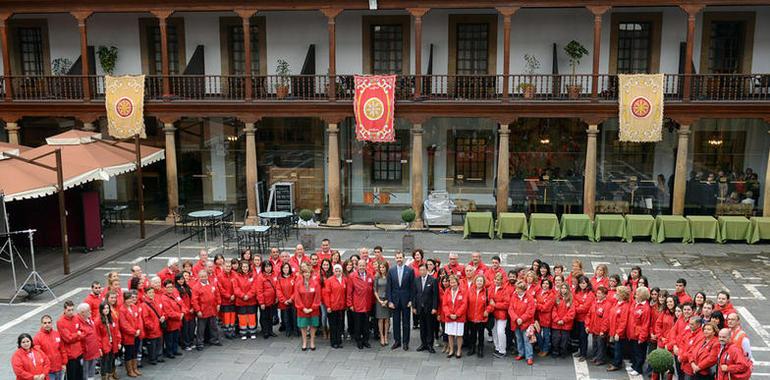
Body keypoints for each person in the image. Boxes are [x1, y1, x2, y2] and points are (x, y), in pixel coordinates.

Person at [387, 251, 414, 351]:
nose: (399, 259)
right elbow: (389, 287)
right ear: (395, 258)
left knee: (406, 323)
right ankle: (397, 341)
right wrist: (389, 301)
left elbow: (412, 287)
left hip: (406, 301)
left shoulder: (409, 271)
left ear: (403, 258)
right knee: (396, 322)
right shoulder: (391, 271)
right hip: (395, 301)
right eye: (397, 257)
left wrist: (411, 300)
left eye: (400, 257)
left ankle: (406, 342)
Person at [192, 269, 222, 350]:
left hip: (212, 309)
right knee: (201, 329)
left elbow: (217, 294)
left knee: (213, 326)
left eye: (205, 276)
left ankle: (214, 340)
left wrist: (218, 303)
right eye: (202, 276)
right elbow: (194, 301)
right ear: (199, 277)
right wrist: (198, 310)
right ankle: (200, 343)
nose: (203, 278)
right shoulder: (196, 287)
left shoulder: (212, 284)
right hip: (203, 310)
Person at [347, 260, 374, 349]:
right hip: (357, 304)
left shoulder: (370, 275)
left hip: (367, 304)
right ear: (357, 266)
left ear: (366, 266)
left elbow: (372, 290)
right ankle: (358, 340)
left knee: (366, 324)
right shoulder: (352, 276)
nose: (362, 267)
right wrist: (350, 304)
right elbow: (349, 291)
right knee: (358, 324)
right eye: (360, 266)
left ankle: (365, 340)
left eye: (363, 265)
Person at [413, 263, 439, 353]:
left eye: (424, 270)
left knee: (430, 327)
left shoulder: (433, 280)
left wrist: (434, 308)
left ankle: (430, 345)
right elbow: (414, 295)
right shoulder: (416, 280)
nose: (422, 271)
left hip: (429, 308)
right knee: (422, 327)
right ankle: (423, 344)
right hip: (420, 308)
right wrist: (414, 307)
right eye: (420, 270)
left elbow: (435, 295)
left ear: (427, 270)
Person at [294, 267, 321, 351]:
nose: (307, 274)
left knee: (313, 325)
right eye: (305, 272)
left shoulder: (316, 283)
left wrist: (312, 308)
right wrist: (302, 308)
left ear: (311, 273)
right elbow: (297, 297)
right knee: (303, 326)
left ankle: (312, 341)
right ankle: (304, 342)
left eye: (308, 272)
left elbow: (317, 296)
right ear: (302, 274)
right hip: (302, 310)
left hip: (313, 309)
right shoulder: (298, 283)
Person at [509, 280, 536, 365]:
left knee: (527, 340)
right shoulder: (514, 296)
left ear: (523, 289)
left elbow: (530, 311)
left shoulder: (529, 298)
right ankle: (521, 353)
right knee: (519, 339)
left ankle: (529, 356)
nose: (516, 290)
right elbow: (510, 309)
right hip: (516, 322)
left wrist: (522, 319)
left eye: (518, 289)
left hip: (526, 323)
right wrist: (516, 318)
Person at [627, 286, 651, 377]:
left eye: (637, 294)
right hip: (632, 333)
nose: (635, 295)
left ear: (642, 295)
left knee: (639, 353)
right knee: (633, 351)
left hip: (638, 334)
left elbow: (645, 324)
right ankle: (634, 366)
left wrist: (642, 337)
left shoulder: (645, 308)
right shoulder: (635, 303)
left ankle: (638, 368)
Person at [33, 315, 66, 380]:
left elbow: (62, 349)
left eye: (49, 322)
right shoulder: (37, 338)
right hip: (48, 371)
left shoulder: (57, 334)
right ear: (41, 324)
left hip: (59, 368)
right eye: (45, 323)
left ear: (51, 323)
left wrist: (64, 363)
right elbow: (37, 356)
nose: (47, 324)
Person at [57, 300, 84, 380]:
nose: (71, 312)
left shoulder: (77, 318)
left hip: (79, 353)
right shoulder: (60, 322)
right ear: (64, 310)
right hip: (70, 356)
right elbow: (68, 338)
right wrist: (77, 334)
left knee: (80, 376)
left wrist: (76, 335)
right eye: (69, 310)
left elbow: (83, 332)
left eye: (72, 309)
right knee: (72, 377)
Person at [442, 275, 467, 358]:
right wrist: (449, 314)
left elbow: (464, 304)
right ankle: (451, 350)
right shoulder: (447, 291)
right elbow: (444, 305)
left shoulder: (463, 291)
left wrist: (457, 314)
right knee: (450, 334)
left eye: (454, 282)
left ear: (457, 282)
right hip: (449, 317)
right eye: (451, 282)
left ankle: (459, 350)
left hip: (459, 317)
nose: (452, 284)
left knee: (459, 334)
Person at [323, 264, 347, 349]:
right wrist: (328, 306)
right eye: (336, 271)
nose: (338, 272)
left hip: (341, 307)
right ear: (333, 271)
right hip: (332, 306)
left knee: (340, 324)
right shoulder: (329, 280)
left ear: (341, 271)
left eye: (339, 271)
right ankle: (333, 342)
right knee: (333, 325)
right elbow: (326, 294)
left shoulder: (344, 280)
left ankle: (339, 341)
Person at [607, 286, 631, 372]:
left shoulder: (625, 306)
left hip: (619, 332)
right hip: (614, 330)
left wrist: (618, 333)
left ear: (622, 295)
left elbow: (623, 321)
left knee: (618, 349)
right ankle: (616, 362)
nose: (615, 294)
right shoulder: (617, 303)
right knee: (616, 348)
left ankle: (617, 364)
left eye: (617, 292)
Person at [119, 291, 142, 377]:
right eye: (128, 299)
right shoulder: (122, 310)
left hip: (136, 334)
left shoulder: (134, 307)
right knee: (129, 353)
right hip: (128, 336)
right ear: (124, 300)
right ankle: (130, 370)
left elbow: (139, 319)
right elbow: (124, 324)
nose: (130, 300)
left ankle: (135, 368)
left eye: (131, 298)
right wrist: (134, 332)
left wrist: (139, 329)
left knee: (135, 352)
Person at [233, 260, 258, 340]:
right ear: (241, 267)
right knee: (242, 317)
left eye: (246, 267)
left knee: (251, 317)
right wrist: (243, 296)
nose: (245, 268)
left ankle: (252, 332)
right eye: (243, 267)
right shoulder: (236, 276)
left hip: (251, 301)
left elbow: (254, 287)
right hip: (241, 301)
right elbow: (236, 288)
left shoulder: (253, 275)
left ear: (249, 267)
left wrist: (249, 295)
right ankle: (243, 333)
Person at [96, 302, 120, 380]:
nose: (106, 310)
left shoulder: (111, 318)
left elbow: (116, 330)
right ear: (101, 310)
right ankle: (104, 376)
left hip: (112, 343)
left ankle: (110, 375)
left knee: (111, 359)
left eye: (107, 308)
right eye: (104, 308)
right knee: (104, 361)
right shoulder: (98, 321)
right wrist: (99, 348)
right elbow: (97, 336)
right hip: (104, 344)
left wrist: (118, 341)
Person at [488, 272, 511, 358]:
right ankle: (497, 347)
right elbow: (488, 299)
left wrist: (495, 305)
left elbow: (507, 304)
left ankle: (502, 350)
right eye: (495, 279)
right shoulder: (491, 288)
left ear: (502, 280)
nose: (497, 281)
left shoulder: (505, 290)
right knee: (494, 332)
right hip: (492, 314)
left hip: (501, 315)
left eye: (499, 280)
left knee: (500, 332)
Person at [75, 303, 100, 380]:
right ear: (82, 312)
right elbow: (78, 337)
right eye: (88, 311)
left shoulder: (89, 319)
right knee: (85, 372)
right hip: (86, 353)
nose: (90, 312)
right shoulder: (77, 322)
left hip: (93, 351)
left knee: (91, 372)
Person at [160, 279, 184, 359]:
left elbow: (181, 303)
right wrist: (179, 315)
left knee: (175, 337)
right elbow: (168, 312)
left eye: (171, 287)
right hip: (171, 322)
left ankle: (174, 350)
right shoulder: (164, 298)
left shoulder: (174, 294)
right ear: (165, 288)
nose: (170, 288)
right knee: (169, 339)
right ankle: (169, 352)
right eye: (168, 287)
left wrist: (183, 312)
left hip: (177, 321)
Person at [551, 282, 575, 360]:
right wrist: (557, 320)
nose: (563, 290)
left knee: (564, 340)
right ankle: (555, 351)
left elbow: (572, 312)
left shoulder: (571, 299)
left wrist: (564, 320)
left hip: (566, 324)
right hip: (556, 323)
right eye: (562, 288)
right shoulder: (556, 298)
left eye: (565, 288)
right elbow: (553, 310)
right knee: (555, 338)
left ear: (568, 289)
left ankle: (563, 352)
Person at [573, 275, 595, 361]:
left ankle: (583, 354)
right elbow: (573, 302)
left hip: (585, 319)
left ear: (587, 284)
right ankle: (580, 351)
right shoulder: (576, 291)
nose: (582, 285)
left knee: (583, 337)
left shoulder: (590, 294)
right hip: (577, 318)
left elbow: (586, 307)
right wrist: (580, 305)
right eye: (580, 283)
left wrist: (578, 307)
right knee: (578, 336)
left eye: (584, 283)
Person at [140, 288, 164, 366]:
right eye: (149, 292)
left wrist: (163, 316)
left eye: (152, 292)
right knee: (152, 345)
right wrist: (152, 327)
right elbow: (146, 319)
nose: (152, 294)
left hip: (158, 327)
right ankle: (152, 358)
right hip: (152, 329)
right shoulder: (144, 305)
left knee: (158, 343)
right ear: (146, 294)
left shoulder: (155, 301)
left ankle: (157, 357)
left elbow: (161, 311)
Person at [257, 261, 279, 339]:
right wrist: (261, 302)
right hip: (264, 301)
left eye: (269, 266)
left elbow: (277, 287)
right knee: (264, 317)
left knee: (270, 316)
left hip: (273, 300)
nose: (268, 268)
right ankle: (265, 331)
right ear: (263, 268)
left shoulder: (274, 275)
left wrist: (277, 297)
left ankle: (270, 330)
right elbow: (259, 291)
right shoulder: (260, 277)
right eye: (266, 267)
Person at [174, 273, 195, 352]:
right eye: (179, 279)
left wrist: (192, 307)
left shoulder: (187, 287)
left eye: (182, 279)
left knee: (191, 328)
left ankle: (190, 342)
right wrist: (186, 310)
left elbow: (192, 297)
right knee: (184, 330)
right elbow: (180, 302)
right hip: (185, 312)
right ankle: (185, 344)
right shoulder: (176, 289)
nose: (181, 281)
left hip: (190, 311)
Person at [277, 262, 299, 337]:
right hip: (284, 302)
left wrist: (291, 299)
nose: (285, 269)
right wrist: (284, 300)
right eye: (284, 268)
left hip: (293, 301)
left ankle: (296, 330)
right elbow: (278, 290)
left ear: (289, 268)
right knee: (286, 317)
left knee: (294, 316)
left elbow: (296, 289)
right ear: (281, 269)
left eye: (287, 267)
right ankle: (288, 330)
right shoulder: (279, 279)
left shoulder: (294, 277)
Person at [372, 261, 391, 347]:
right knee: (380, 319)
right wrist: (379, 301)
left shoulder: (389, 276)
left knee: (386, 319)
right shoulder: (377, 276)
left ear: (386, 267)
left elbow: (391, 288)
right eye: (380, 267)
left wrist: (387, 300)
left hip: (387, 299)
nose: (382, 269)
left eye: (383, 267)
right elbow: (375, 290)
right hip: (379, 300)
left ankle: (386, 336)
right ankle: (382, 337)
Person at [535, 277, 555, 358]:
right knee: (538, 334)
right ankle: (541, 348)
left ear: (549, 285)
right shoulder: (538, 292)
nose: (545, 285)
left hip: (546, 318)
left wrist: (537, 304)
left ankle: (545, 350)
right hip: (538, 317)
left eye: (547, 283)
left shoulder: (551, 295)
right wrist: (540, 305)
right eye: (544, 283)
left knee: (546, 335)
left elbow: (546, 308)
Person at [217, 259, 236, 339]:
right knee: (226, 316)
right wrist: (229, 296)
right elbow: (220, 289)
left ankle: (232, 330)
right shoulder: (220, 276)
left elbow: (237, 286)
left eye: (229, 266)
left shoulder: (235, 274)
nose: (228, 268)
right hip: (225, 300)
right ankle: (227, 331)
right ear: (223, 266)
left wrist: (234, 295)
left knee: (233, 315)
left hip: (234, 299)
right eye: (227, 266)